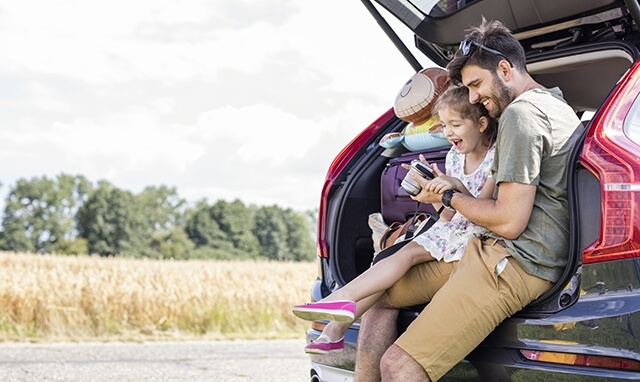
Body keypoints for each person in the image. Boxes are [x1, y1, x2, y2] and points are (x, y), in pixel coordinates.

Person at [350, 18, 585, 381]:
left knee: (398, 366)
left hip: (514, 262)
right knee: (380, 293)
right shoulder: (556, 103)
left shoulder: (522, 116)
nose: (474, 98)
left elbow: (509, 221)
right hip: (486, 248)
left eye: (476, 84)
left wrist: (449, 194)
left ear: (505, 70)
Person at [292, 84, 498, 355]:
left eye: (455, 125)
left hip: (476, 236)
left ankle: (340, 307)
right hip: (452, 230)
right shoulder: (453, 156)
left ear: (482, 124)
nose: (448, 132)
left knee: (404, 254)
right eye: (444, 125)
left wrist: (456, 187)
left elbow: (484, 210)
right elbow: (447, 214)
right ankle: (335, 326)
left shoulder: (495, 157)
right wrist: (432, 195)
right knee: (391, 256)